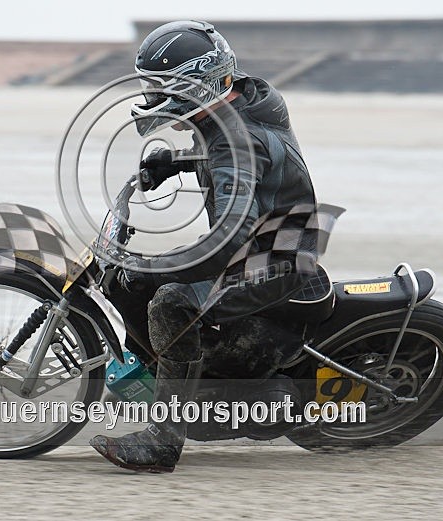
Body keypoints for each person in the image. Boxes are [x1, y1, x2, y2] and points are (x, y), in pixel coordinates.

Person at [89, 20, 317, 473]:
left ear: (195, 85)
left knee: (170, 302)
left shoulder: (237, 139)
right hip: (271, 240)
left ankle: (163, 441)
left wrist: (161, 267)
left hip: (272, 261)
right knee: (164, 275)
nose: (152, 97)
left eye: (161, 87)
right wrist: (178, 161)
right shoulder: (243, 101)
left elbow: (231, 235)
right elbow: (249, 164)